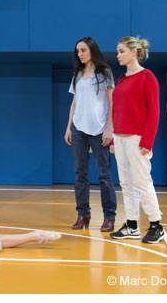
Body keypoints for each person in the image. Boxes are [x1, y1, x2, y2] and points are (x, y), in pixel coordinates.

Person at [109, 36, 164, 244]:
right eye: (117, 52)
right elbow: (117, 110)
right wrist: (113, 138)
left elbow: (154, 112)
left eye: (121, 51)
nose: (118, 55)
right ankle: (131, 225)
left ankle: (156, 225)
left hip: (137, 138)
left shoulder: (147, 76)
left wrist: (147, 141)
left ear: (134, 52)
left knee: (142, 182)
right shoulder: (122, 78)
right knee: (126, 183)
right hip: (120, 138)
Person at [64, 37, 118, 232]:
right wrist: (69, 127)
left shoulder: (105, 73)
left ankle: (109, 216)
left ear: (92, 50)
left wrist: (109, 128)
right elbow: (75, 102)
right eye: (77, 51)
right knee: (80, 174)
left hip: (99, 129)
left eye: (83, 50)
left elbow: (112, 102)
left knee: (104, 175)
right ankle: (83, 214)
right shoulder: (77, 74)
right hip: (79, 129)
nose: (80, 54)